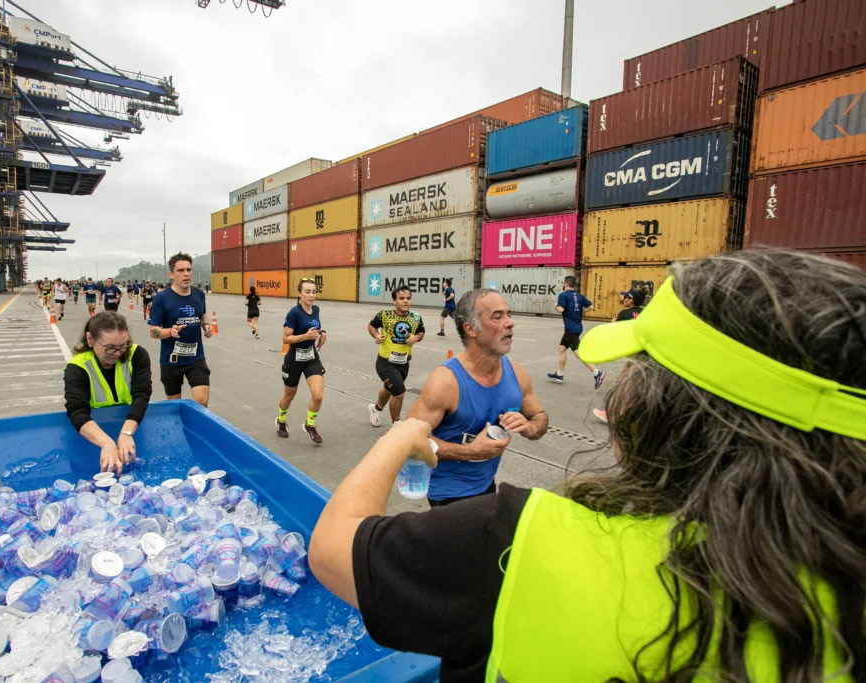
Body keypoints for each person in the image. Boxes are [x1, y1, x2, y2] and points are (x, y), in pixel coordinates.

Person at [309, 250, 866, 681]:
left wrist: (415, 434)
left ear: (674, 412)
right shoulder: (842, 598)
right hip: (452, 494)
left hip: (477, 516)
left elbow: (333, 549)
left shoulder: (522, 541)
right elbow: (442, 440)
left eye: (639, 369)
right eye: (497, 315)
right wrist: (450, 445)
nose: (622, 393)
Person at [405, 288, 547, 507]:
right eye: (497, 317)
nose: (510, 323)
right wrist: (469, 452)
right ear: (471, 329)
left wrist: (530, 427)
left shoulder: (517, 374)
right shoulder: (446, 382)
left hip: (487, 485)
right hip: (447, 495)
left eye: (508, 315)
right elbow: (410, 441)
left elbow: (539, 417)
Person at [63, 311, 153, 475]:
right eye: (110, 348)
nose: (118, 353)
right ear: (90, 339)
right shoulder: (77, 367)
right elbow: (77, 411)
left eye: (123, 345)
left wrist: (126, 433)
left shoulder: (137, 355)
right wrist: (106, 443)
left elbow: (142, 394)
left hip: (130, 428)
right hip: (93, 436)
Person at [147, 252, 213, 406]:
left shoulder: (199, 295)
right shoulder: (161, 298)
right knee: (174, 405)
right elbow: (153, 331)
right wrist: (170, 331)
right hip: (171, 359)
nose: (186, 274)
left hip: (196, 357)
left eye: (189, 270)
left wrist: (206, 326)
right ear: (171, 274)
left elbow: (202, 314)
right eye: (181, 270)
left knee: (201, 401)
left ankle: (195, 427)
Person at [277, 278, 327, 444]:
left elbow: (315, 326)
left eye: (313, 292)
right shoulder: (294, 313)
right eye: (307, 292)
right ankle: (281, 420)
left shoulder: (316, 309)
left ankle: (309, 425)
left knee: (318, 395)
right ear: (299, 294)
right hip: (294, 359)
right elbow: (285, 339)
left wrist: (322, 333)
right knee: (289, 396)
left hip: (311, 356)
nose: (311, 295)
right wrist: (305, 336)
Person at [367, 285, 424, 427]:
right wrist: (376, 335)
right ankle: (396, 425)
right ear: (394, 301)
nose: (406, 301)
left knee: (389, 388)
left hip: (404, 363)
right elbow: (371, 325)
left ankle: (376, 409)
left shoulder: (416, 317)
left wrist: (416, 338)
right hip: (385, 362)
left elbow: (421, 332)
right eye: (402, 298)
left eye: (408, 298)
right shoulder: (384, 315)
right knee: (399, 393)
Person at [594, 288, 651, 423]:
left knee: (622, 384)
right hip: (646, 352)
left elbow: (615, 332)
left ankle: (612, 414)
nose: (623, 299)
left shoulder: (624, 313)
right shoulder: (646, 313)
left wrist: (613, 322)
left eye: (626, 297)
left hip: (634, 355)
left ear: (631, 300)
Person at [547, 275, 606, 389]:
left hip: (571, 329)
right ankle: (559, 374)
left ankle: (597, 372)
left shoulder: (563, 295)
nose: (562, 285)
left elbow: (560, 309)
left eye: (563, 283)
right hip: (577, 327)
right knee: (562, 349)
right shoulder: (579, 296)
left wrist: (556, 306)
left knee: (578, 352)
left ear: (566, 284)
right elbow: (591, 307)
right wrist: (579, 310)